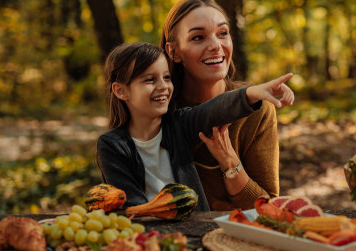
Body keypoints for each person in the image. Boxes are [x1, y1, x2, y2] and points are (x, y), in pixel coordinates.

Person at [96, 41, 294, 211]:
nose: (163, 86)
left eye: (166, 77)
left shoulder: (180, 124)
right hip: (146, 235)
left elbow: (215, 110)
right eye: (149, 79)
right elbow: (130, 204)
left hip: (197, 230)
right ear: (121, 91)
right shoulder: (111, 145)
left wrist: (252, 93)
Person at [160, 0, 287, 210]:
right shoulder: (160, 110)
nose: (216, 46)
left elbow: (267, 207)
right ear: (174, 52)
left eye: (222, 33)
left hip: (237, 237)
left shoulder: (257, 109)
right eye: (198, 37)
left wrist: (230, 162)